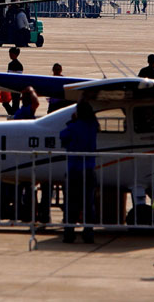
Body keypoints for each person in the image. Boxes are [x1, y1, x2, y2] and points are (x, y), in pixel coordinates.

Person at [60, 100, 100, 243]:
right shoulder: (93, 126)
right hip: (89, 168)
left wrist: (72, 122)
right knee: (89, 203)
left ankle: (69, 232)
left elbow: (62, 136)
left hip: (74, 169)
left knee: (71, 203)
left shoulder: (74, 127)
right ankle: (88, 232)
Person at [2, 47, 24, 115]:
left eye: (11, 54)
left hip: (14, 87)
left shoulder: (14, 64)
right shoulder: (18, 64)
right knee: (15, 104)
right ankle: (14, 114)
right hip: (16, 87)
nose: (10, 55)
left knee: (14, 104)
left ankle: (14, 115)